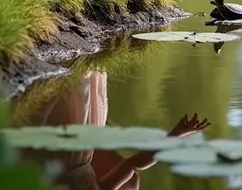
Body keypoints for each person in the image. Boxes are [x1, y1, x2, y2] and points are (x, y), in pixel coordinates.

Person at [14, 67, 211, 189]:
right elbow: (133, 164)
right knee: (65, 96)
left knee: (59, 99)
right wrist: (174, 136)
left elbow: (133, 165)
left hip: (56, 157)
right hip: (66, 155)